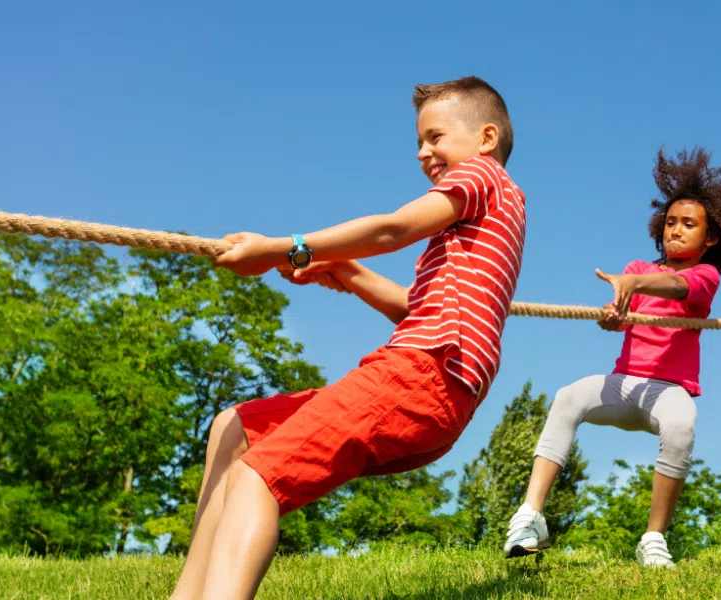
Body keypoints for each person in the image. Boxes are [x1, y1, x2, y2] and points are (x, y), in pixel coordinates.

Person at [170, 76, 526, 600]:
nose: (424, 152)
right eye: (419, 142)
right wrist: (346, 270)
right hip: (431, 390)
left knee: (256, 477)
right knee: (236, 428)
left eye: (435, 137)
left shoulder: (483, 176)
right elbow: (414, 308)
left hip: (421, 376)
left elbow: (393, 229)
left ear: (486, 139)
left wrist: (283, 247)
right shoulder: (475, 233)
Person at [503, 148, 721, 567]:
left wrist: (634, 282)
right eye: (670, 223)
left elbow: (678, 289)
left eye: (688, 224)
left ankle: (653, 538)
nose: (676, 231)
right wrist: (613, 316)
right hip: (625, 385)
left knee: (682, 424)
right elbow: (622, 319)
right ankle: (530, 515)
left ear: (710, 237)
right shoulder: (636, 268)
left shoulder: (704, 275)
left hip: (668, 392)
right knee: (568, 396)